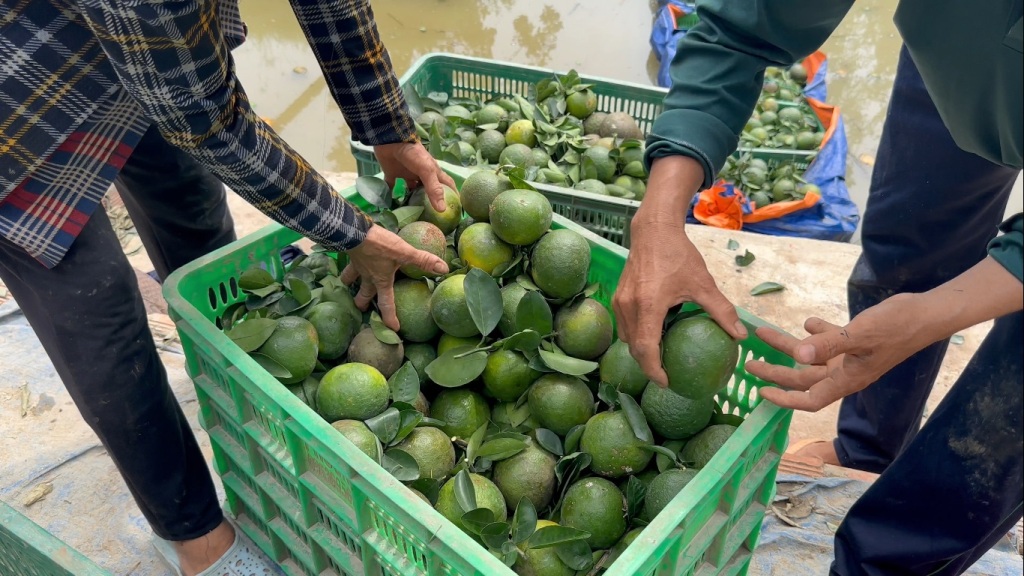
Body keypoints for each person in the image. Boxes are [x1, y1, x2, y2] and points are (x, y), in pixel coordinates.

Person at [0, 0, 454, 573]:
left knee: (194, 212)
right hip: (20, 97)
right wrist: (347, 231)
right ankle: (195, 539)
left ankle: (226, 373)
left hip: (145, 53)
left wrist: (387, 125)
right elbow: (206, 121)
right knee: (100, 316)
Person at [613, 1, 1022, 574]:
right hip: (957, 54)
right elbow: (743, 23)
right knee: (904, 254)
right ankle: (866, 452)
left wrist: (933, 316)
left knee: (991, 433)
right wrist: (656, 218)